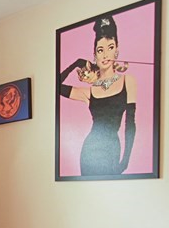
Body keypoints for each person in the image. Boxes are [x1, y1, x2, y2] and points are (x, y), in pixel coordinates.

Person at [58, 16, 137, 175]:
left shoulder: (127, 81)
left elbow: (130, 124)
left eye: (110, 47)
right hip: (90, 150)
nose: (106, 54)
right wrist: (76, 63)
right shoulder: (89, 92)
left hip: (112, 148)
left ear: (117, 50)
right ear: (94, 55)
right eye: (101, 50)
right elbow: (56, 87)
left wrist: (126, 160)